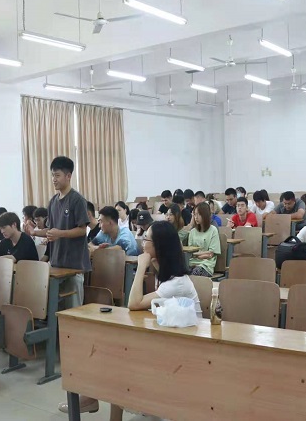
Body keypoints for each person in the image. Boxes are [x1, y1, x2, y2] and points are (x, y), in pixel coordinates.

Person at [82, 221, 202, 420]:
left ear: (159, 246)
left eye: (147, 239)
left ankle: (95, 398)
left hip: (188, 347)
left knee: (122, 358)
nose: (143, 243)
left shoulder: (177, 283)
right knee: (116, 350)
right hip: (169, 336)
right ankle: (95, 398)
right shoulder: (164, 274)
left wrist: (140, 267)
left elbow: (134, 303)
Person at [44, 156, 91, 309]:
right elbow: (51, 229)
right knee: (55, 310)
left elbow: (82, 230)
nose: (54, 179)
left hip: (73, 265)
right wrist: (35, 232)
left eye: (57, 175)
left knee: (74, 310)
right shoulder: (53, 201)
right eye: (52, 175)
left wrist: (60, 234)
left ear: (68, 176)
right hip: (56, 263)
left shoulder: (77, 200)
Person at [188, 202, 221, 277]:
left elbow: (211, 253)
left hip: (206, 265)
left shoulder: (213, 230)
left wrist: (196, 254)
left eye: (199, 214)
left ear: (205, 215)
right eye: (195, 214)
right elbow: (190, 251)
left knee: (195, 273)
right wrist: (200, 254)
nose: (196, 217)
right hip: (191, 263)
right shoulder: (192, 231)